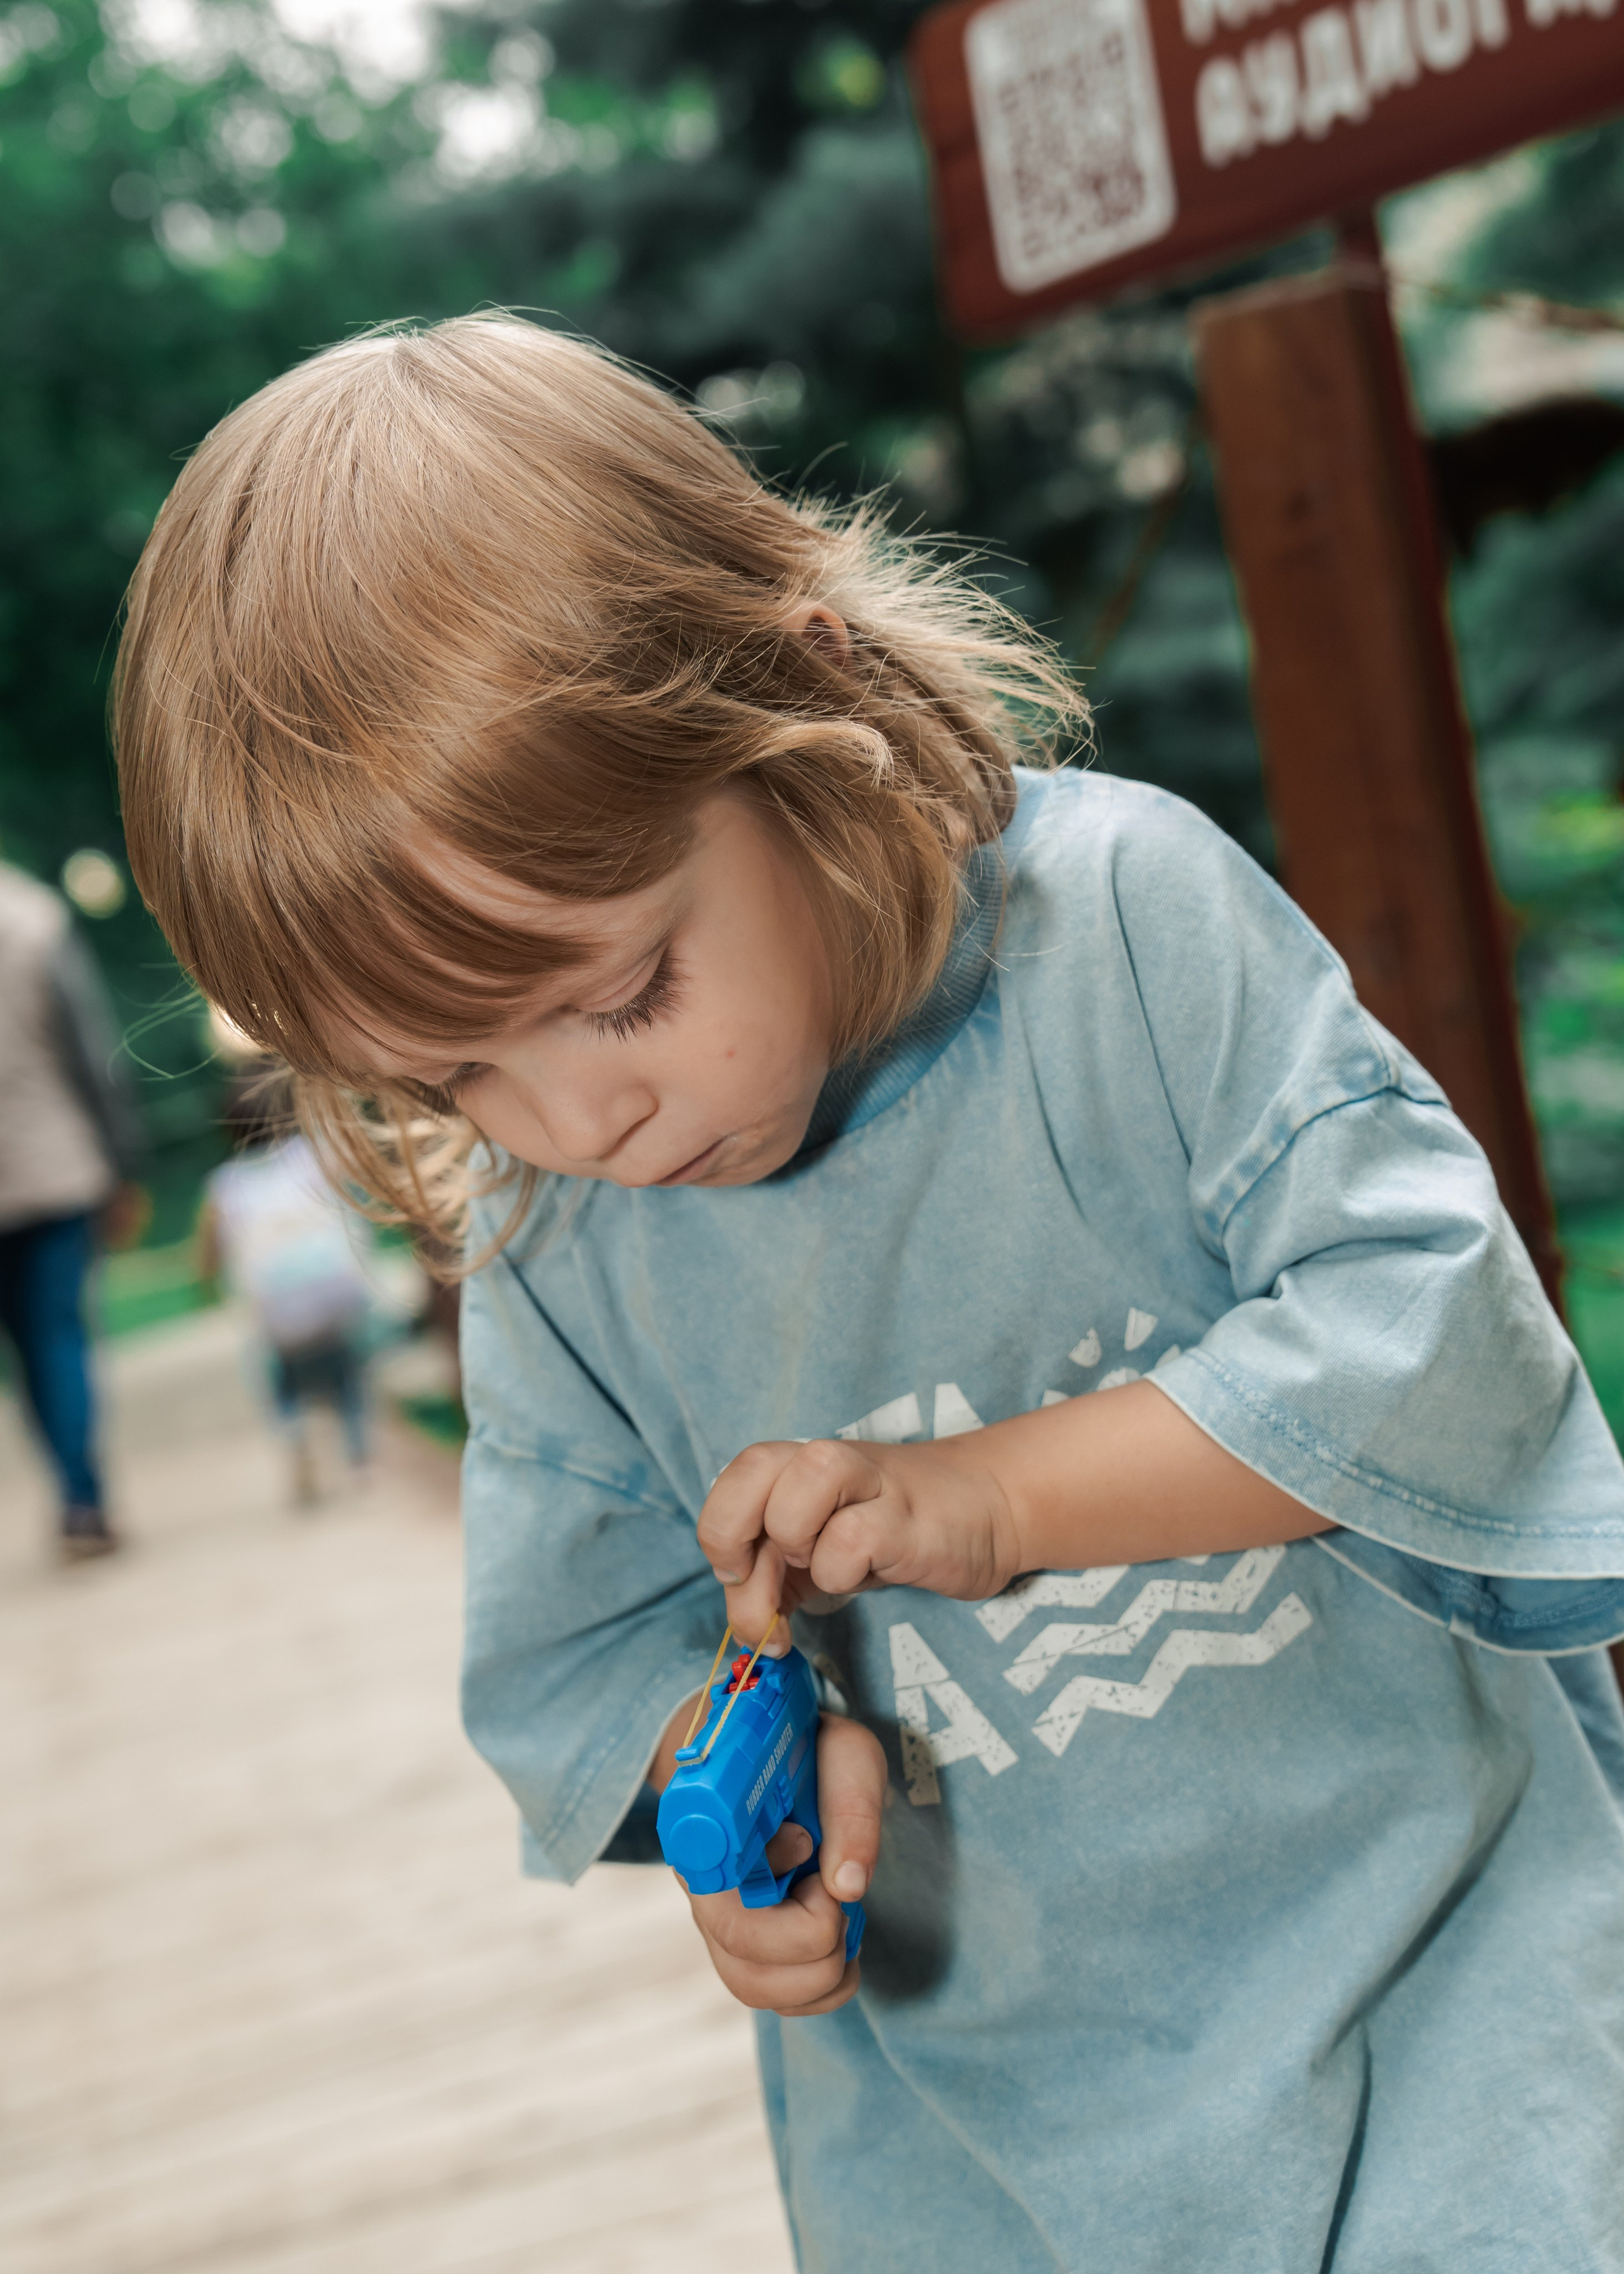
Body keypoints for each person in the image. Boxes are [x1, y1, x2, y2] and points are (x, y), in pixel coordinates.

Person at [110, 317, 1624, 2271]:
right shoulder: (559, 1244)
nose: (584, 1119)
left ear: (807, 708)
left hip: (1456, 1998)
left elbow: (1425, 1322)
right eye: (455, 1077)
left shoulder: (1120, 942)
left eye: (621, 993)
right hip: (993, 2166)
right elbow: (579, 1664)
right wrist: (717, 1800)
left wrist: (994, 1499)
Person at [0, 855, 146, 1560]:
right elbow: (91, 1052)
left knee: (27, 1350)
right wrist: (123, 1162)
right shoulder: (34, 919)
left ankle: (70, 1486)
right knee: (59, 1335)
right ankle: (83, 1498)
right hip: (56, 1166)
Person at [198, 1063, 375, 1505]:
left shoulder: (225, 1185)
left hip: (279, 1311)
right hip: (336, 1294)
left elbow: (208, 1252)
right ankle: (357, 1456)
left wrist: (205, 1280)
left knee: (284, 1382)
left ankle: (296, 1434)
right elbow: (355, 1190)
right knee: (346, 1375)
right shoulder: (312, 1157)